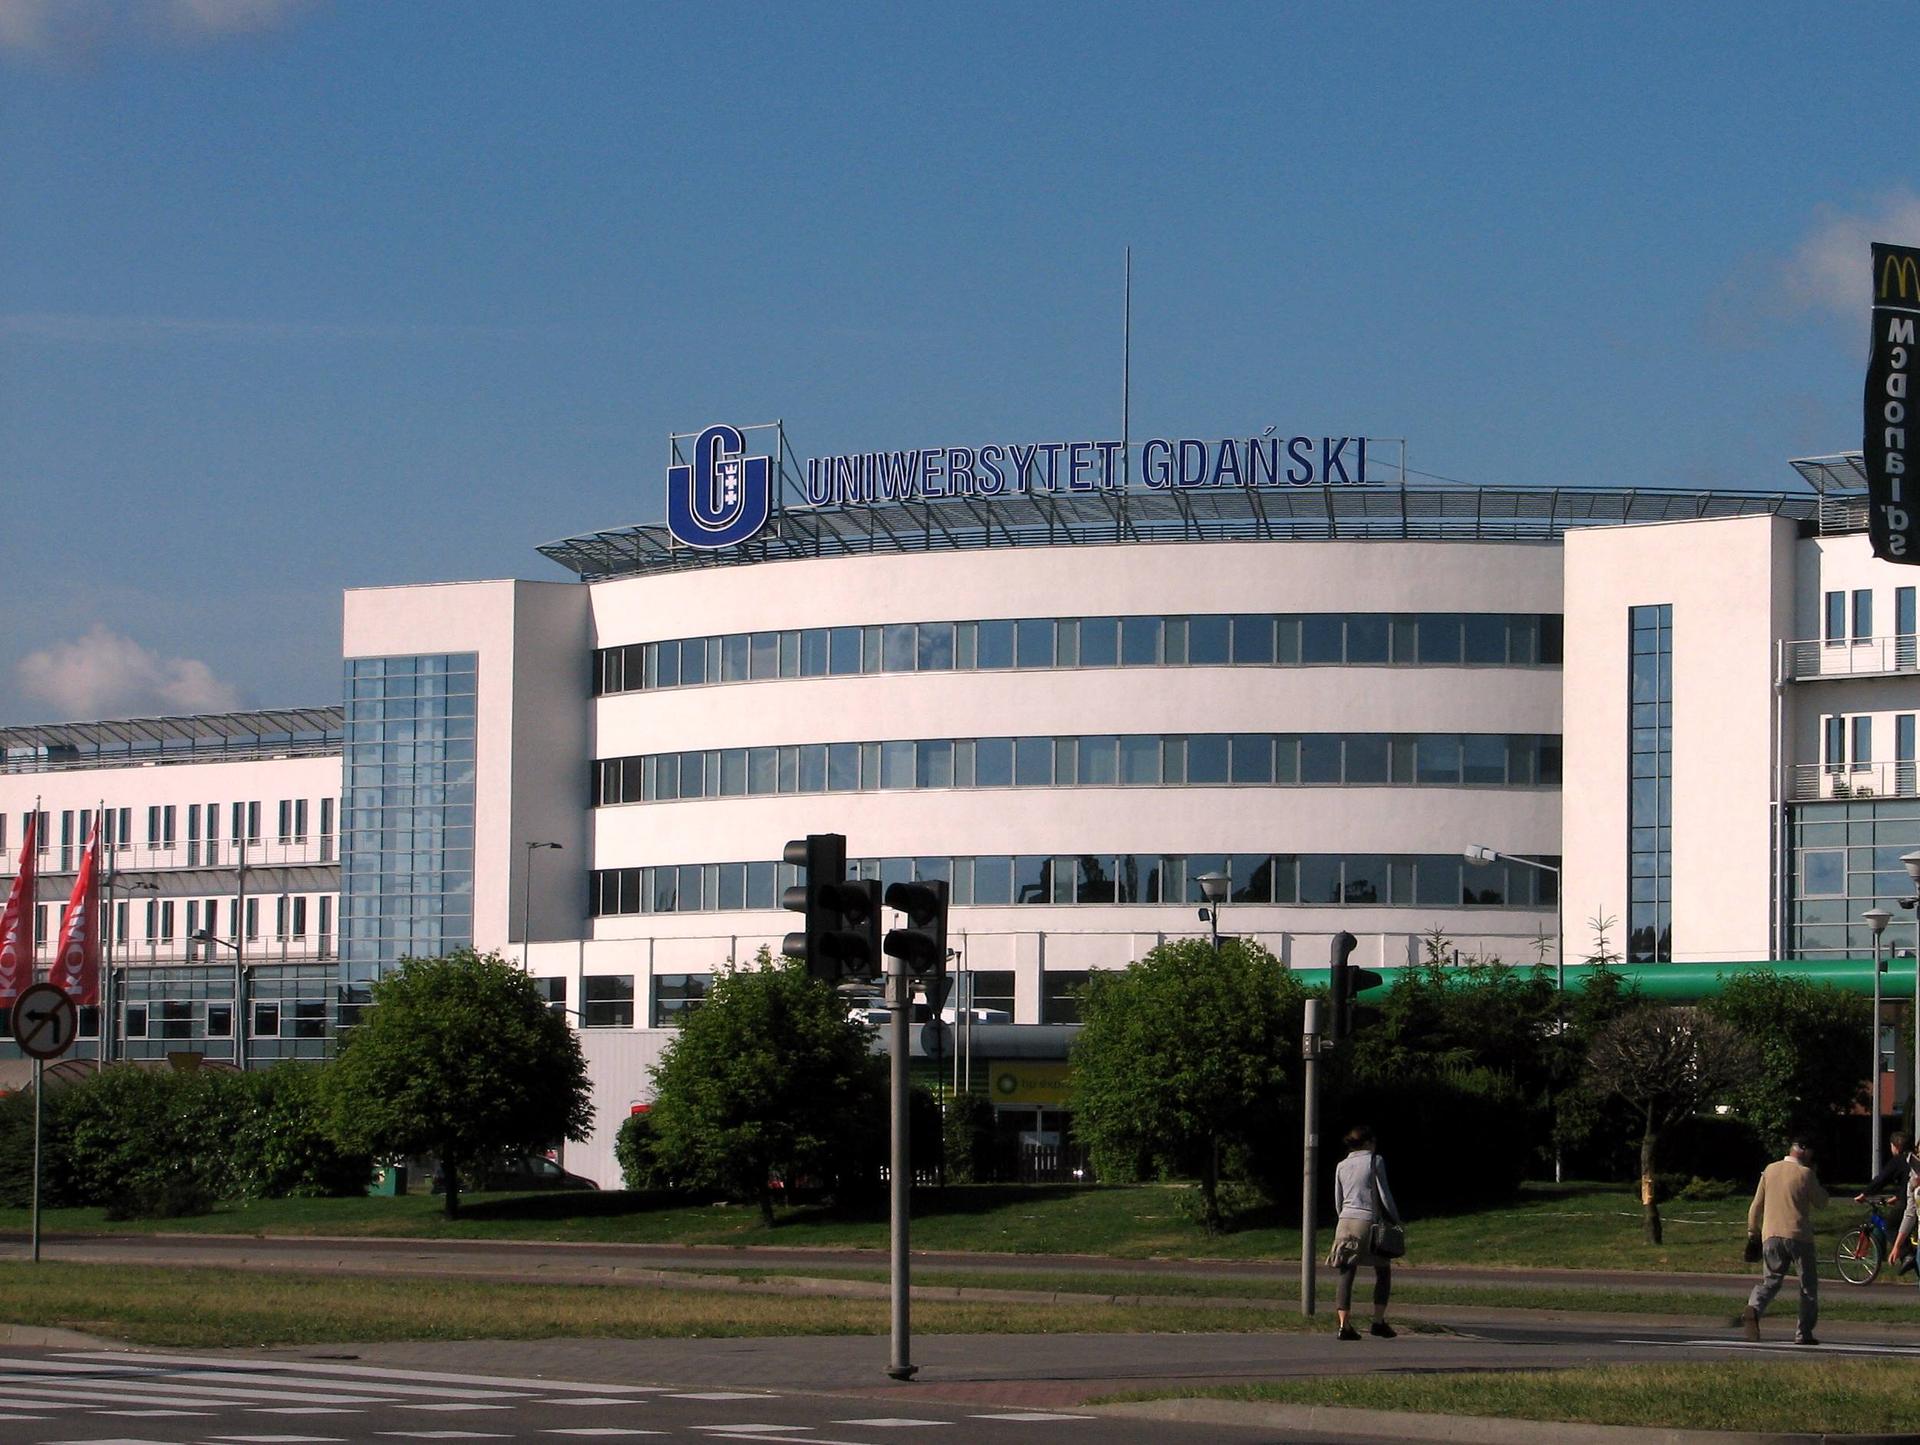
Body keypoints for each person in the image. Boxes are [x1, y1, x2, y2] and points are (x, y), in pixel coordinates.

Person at [1742, 1135, 1829, 1345]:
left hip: (1770, 1235)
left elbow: (1756, 1205)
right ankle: (1803, 1333)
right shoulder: (1805, 1173)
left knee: (1771, 1280)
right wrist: (1815, 1177)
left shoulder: (1769, 1170)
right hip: (1799, 1236)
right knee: (1807, 1286)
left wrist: (1753, 1232)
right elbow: (1822, 1202)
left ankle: (1754, 1307)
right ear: (1804, 1150)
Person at [1327, 1123, 1400, 1341]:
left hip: (1344, 1221)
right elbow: (1384, 1195)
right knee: (1383, 1268)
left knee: (1346, 1271)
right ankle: (1378, 1321)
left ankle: (1344, 1324)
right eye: (1374, 1141)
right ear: (1368, 1142)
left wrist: (1343, 1217)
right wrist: (1395, 1219)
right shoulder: (1374, 1161)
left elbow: (1338, 1199)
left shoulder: (1341, 1165)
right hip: (1366, 1220)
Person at [1855, 1131, 1920, 1275]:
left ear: (1896, 1147)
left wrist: (1864, 1193)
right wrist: (1897, 1196)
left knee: (1890, 1225)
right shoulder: (1911, 1164)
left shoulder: (1899, 1160)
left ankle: (1906, 1254)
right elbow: (1907, 1183)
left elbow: (1882, 1179)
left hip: (1909, 1203)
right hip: (1908, 1200)